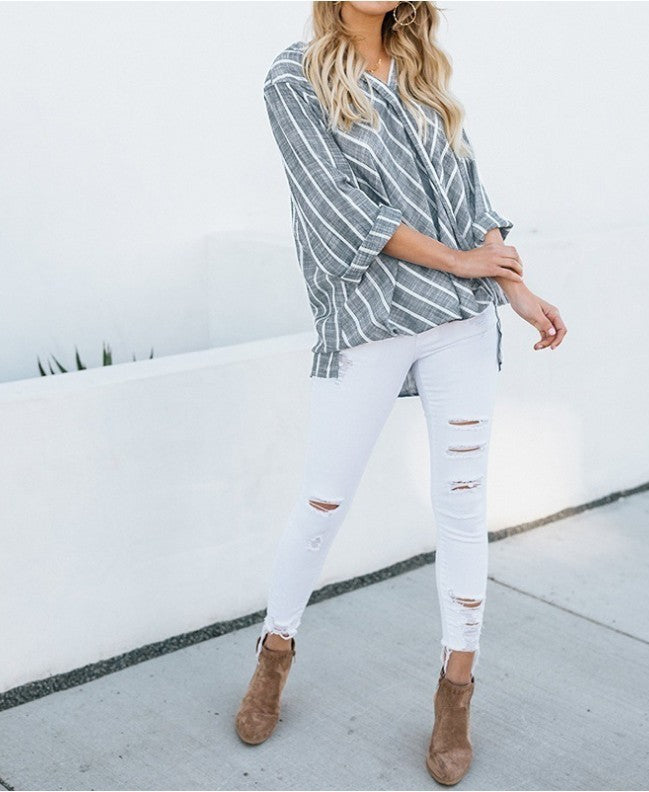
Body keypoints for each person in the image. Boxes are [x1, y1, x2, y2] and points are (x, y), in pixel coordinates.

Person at [235, 1, 567, 784]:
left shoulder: (421, 72)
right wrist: (456, 263)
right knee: (323, 500)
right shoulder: (293, 77)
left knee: (462, 508)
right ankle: (273, 654)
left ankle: (455, 694)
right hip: (370, 320)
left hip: (461, 324)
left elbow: (471, 199)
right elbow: (338, 209)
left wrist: (513, 288)